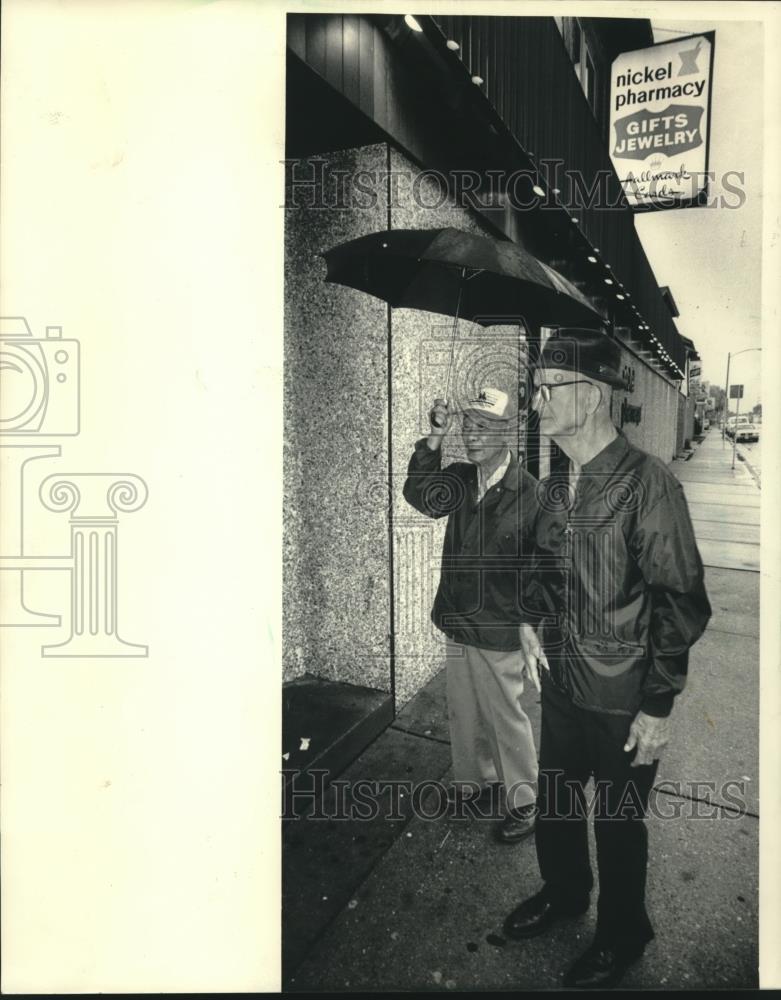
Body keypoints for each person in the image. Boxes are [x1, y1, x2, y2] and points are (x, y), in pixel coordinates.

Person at [502, 330, 712, 988]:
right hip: (563, 685)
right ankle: (563, 894)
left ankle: (622, 933)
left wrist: (656, 706)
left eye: (545, 391)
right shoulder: (557, 485)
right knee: (558, 804)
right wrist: (533, 620)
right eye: (533, 391)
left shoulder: (647, 485)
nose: (534, 405)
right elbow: (542, 565)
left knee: (618, 824)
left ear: (590, 396)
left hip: (622, 698)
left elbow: (679, 600)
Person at [403, 387, 541, 843]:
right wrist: (435, 440)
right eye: (467, 425)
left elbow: (544, 571)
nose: (472, 435)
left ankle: (524, 800)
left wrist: (530, 625)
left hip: (501, 630)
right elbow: (420, 497)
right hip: (460, 620)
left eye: (483, 427)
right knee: (463, 713)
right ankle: (474, 783)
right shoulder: (461, 479)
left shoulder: (532, 494)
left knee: (505, 716)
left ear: (509, 433)